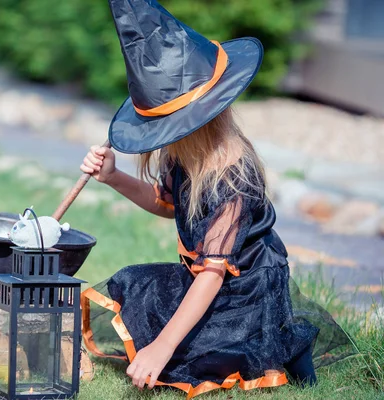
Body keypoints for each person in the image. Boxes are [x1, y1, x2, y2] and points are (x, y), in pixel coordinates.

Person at [79, 1, 353, 398]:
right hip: (205, 277)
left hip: (243, 292)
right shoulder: (184, 157)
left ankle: (275, 344)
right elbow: (165, 204)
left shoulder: (235, 178)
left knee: (187, 355)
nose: (160, 141)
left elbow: (212, 275)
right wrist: (114, 177)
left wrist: (161, 348)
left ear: (198, 123)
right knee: (134, 283)